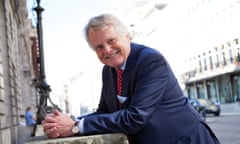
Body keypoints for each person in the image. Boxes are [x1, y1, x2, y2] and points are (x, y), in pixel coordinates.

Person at [42, 13, 220, 144]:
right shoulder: (108, 70)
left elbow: (135, 117)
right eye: (99, 47)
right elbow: (105, 111)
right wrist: (64, 123)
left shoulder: (150, 61)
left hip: (185, 140)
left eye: (111, 41)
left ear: (127, 36)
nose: (107, 50)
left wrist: (75, 127)